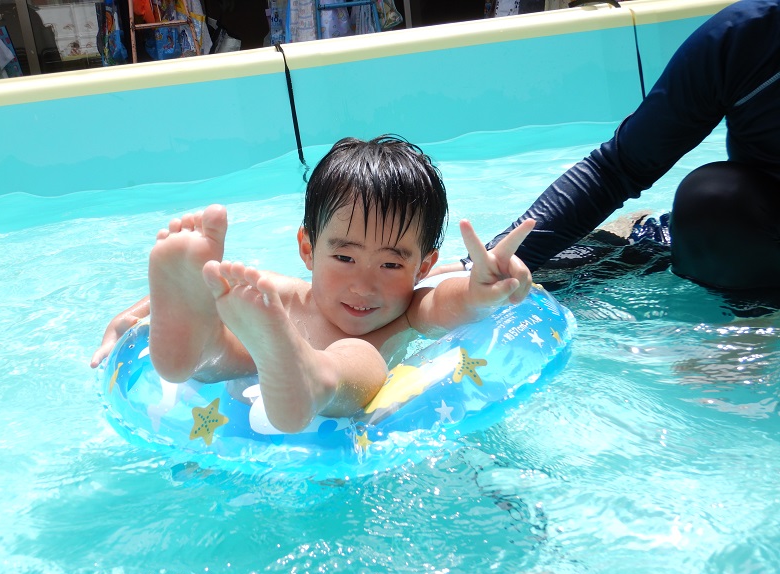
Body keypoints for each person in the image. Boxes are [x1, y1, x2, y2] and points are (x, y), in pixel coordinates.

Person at [90, 135, 535, 433]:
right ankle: (202, 342)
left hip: (337, 384)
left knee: (359, 356)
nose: (364, 286)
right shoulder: (274, 295)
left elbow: (448, 303)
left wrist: (480, 291)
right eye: (344, 257)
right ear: (308, 249)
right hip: (256, 374)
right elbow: (208, 286)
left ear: (424, 266)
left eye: (391, 265)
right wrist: (132, 319)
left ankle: (310, 375)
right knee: (231, 322)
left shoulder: (413, 309)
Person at [438, 0, 780, 291]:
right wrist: (485, 264)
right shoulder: (748, 38)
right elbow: (618, 167)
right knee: (715, 200)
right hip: (760, 238)